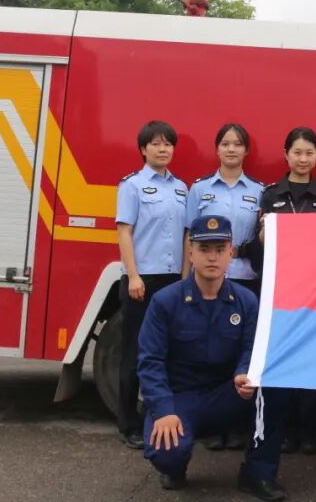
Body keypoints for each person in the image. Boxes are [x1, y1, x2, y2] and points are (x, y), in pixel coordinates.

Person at [138, 215, 287, 501]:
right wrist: (163, 410)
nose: (212, 257)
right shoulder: (165, 301)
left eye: (220, 249)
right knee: (167, 452)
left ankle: (258, 474)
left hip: (226, 394)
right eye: (204, 249)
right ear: (190, 253)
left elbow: (251, 348)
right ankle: (175, 466)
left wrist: (244, 372)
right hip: (179, 397)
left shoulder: (246, 301)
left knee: (275, 388)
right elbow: (150, 361)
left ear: (230, 253)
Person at [186, 122, 264, 451]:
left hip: (244, 279)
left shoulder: (259, 191)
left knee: (240, 352)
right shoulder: (200, 189)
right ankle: (211, 426)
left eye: (237, 144)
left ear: (246, 151)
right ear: (217, 149)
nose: (231, 149)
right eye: (225, 144)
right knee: (208, 352)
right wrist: (185, 281)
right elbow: (189, 237)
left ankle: (235, 425)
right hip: (206, 280)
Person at [259, 127, 316, 455]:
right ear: (286, 155)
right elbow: (260, 242)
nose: (303, 159)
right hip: (280, 290)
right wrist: (264, 234)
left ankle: (310, 430)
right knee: (282, 360)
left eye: (309, 153)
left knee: (312, 360)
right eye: (297, 152)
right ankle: (285, 430)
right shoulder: (270, 194)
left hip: (315, 291)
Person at [115, 120, 188, 449]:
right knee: (135, 353)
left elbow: (186, 236)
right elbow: (124, 232)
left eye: (168, 144)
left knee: (167, 353)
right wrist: (133, 275)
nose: (162, 149)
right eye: (156, 144)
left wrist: (185, 278)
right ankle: (127, 423)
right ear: (143, 149)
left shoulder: (181, 188)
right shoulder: (132, 185)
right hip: (142, 281)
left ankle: (156, 417)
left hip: (172, 280)